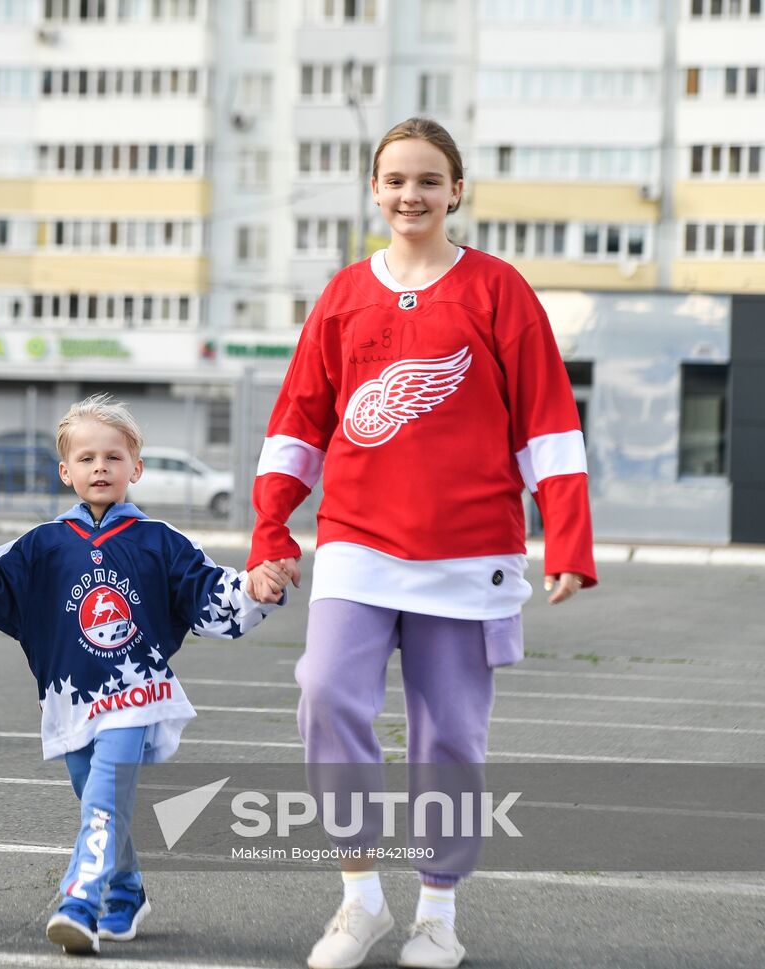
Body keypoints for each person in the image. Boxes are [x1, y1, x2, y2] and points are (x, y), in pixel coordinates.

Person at [245, 117, 596, 969]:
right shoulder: (341, 296)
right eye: (396, 180)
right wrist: (270, 526)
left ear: (455, 190)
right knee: (325, 692)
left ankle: (437, 912)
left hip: (469, 550)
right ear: (375, 189)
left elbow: (547, 420)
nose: (411, 195)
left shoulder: (498, 290)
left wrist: (568, 540)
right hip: (358, 544)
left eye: (428, 181)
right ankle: (359, 898)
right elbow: (300, 420)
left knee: (448, 738)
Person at [0, 395, 289, 955]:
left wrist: (254, 588)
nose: (99, 467)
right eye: (86, 458)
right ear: (65, 470)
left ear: (136, 467)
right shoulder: (44, 545)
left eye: (112, 457)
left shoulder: (161, 542)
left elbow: (209, 594)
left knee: (104, 798)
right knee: (97, 798)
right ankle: (127, 890)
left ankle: (80, 900)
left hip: (136, 693)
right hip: (68, 698)